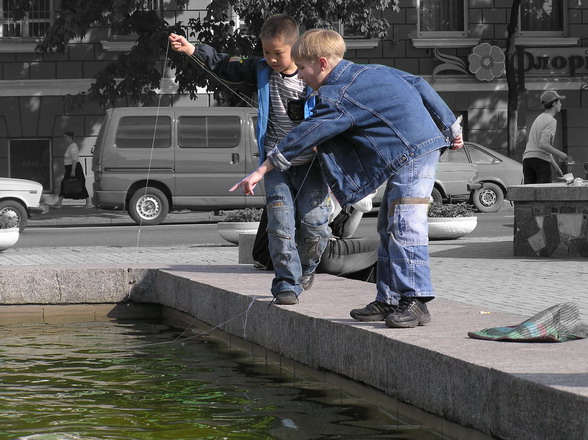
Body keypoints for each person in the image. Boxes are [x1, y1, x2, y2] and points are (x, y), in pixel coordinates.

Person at [231, 29, 463, 328]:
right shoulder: (371, 70)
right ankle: (389, 298)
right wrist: (451, 127)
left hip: (414, 153)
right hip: (413, 149)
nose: (299, 76)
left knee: (405, 223)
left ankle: (416, 301)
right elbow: (418, 82)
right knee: (388, 224)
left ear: (323, 63)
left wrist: (263, 168)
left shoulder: (337, 94)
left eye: (302, 68)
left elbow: (308, 132)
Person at [169, 15, 331, 306]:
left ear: (295, 49)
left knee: (315, 224)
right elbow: (225, 64)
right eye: (266, 52)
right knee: (280, 224)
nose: (271, 59)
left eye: (278, 53)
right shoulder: (260, 70)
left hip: (311, 165)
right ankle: (286, 283)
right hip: (274, 164)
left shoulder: (315, 78)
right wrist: (192, 49)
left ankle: (306, 268)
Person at [522, 91, 568, 184]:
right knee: (543, 195)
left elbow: (544, 149)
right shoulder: (551, 121)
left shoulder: (539, 118)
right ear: (554, 104)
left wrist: (556, 167)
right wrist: (560, 154)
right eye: (559, 102)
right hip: (540, 163)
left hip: (527, 161)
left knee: (530, 194)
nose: (561, 104)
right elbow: (543, 145)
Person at [52, 131, 92, 209]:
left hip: (74, 168)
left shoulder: (73, 146)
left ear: (70, 137)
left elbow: (74, 160)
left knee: (80, 184)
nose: (65, 139)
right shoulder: (70, 146)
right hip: (70, 168)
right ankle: (59, 202)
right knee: (64, 183)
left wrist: (73, 171)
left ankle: (88, 202)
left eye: (66, 137)